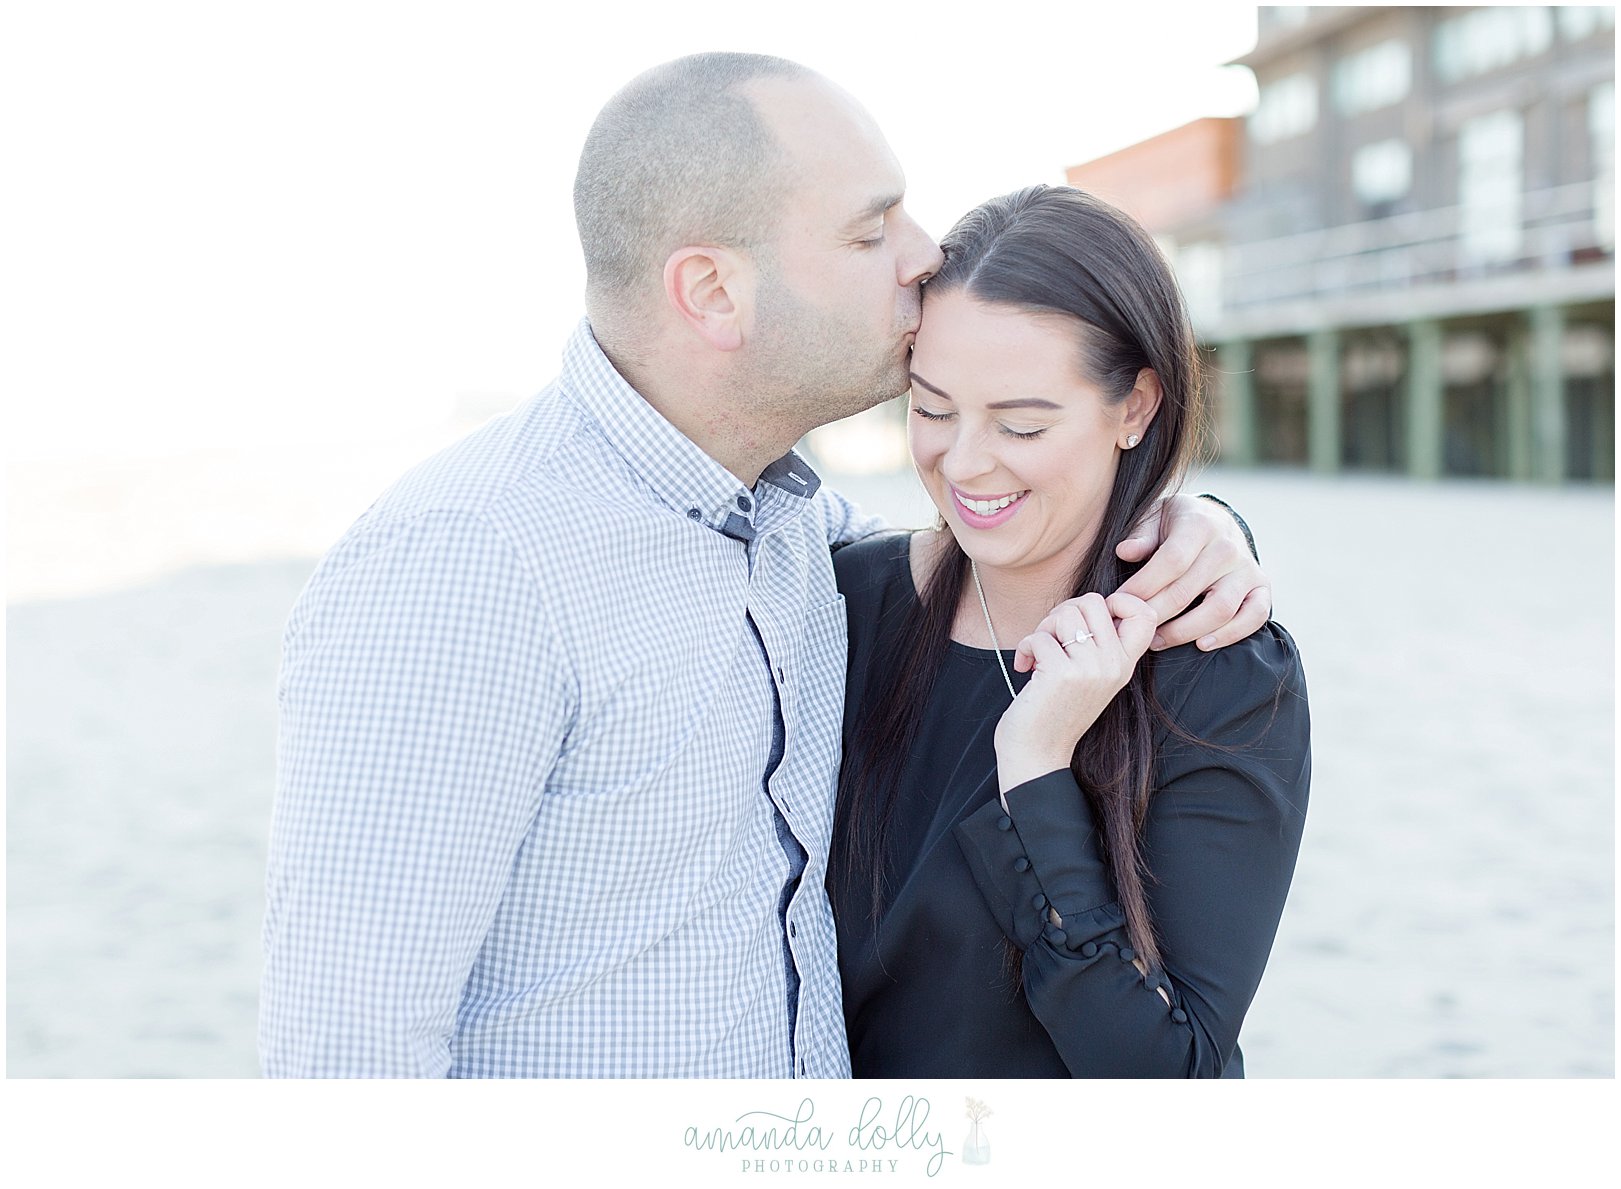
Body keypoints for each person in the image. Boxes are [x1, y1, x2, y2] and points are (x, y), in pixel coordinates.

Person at [260, 54, 1273, 1078]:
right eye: (869, 230)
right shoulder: (469, 563)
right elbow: (347, 1058)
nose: (923, 255)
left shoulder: (787, 526)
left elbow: (1012, 525)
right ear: (712, 291)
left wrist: (1189, 523)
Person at [831, 185, 1310, 1078]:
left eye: (1020, 423)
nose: (963, 462)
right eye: (931, 409)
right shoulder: (842, 605)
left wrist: (1038, 771)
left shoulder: (1217, 667)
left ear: (1134, 407)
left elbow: (1171, 1078)